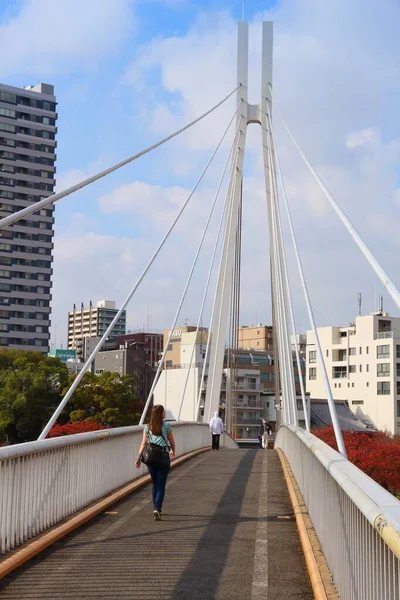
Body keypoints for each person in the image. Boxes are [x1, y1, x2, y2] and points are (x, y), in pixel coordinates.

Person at [135, 405, 176, 521]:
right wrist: (173, 451)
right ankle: (157, 508)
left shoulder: (148, 427)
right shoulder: (167, 426)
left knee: (155, 483)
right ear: (161, 413)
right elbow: (172, 442)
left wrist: (138, 457)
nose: (165, 413)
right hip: (163, 456)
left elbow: (143, 443)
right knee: (161, 484)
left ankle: (155, 507)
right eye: (164, 411)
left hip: (151, 458)